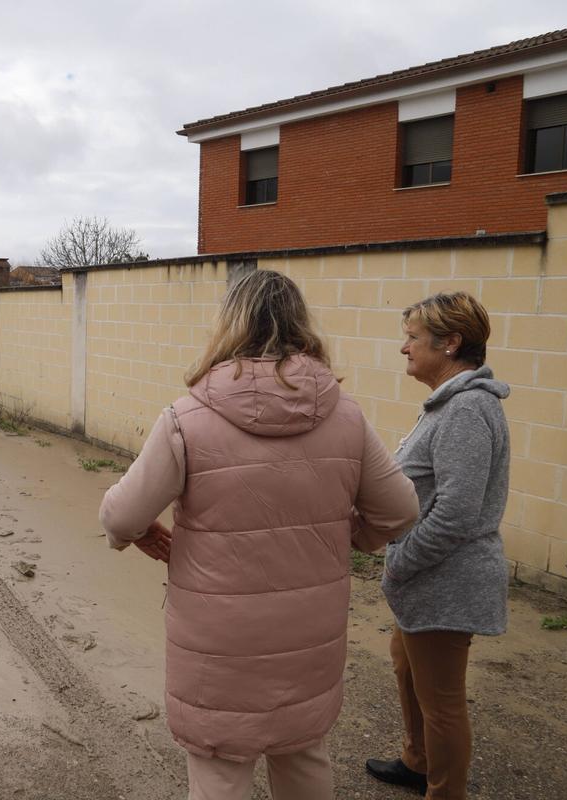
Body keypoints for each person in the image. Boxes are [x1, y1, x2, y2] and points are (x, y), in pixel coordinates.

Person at [99, 269, 420, 800]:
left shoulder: (187, 419)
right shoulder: (347, 417)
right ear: (300, 324)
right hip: (309, 633)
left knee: (220, 765)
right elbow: (401, 510)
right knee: (302, 752)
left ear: (230, 325)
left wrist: (135, 534)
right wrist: (350, 538)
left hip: (218, 642)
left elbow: (119, 515)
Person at [365, 291, 510, 799]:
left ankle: (444, 791)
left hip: (447, 581)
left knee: (442, 701)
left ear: (450, 343)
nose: (404, 348)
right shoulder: (447, 405)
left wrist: (400, 561)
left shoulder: (467, 409)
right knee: (406, 662)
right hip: (427, 583)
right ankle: (418, 760)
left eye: (412, 338)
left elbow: (456, 513)